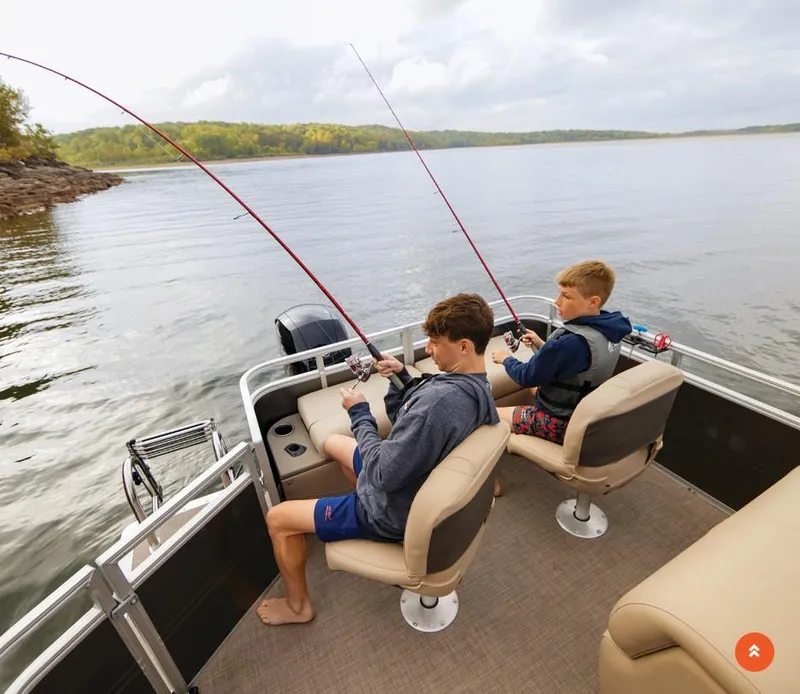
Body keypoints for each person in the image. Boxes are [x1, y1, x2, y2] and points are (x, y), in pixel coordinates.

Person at [258, 292, 499, 626]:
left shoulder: (438, 405)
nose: (428, 349)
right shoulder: (476, 387)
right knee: (333, 443)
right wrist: (401, 376)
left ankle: (298, 607)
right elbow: (422, 415)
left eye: (435, 342)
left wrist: (359, 413)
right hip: (414, 480)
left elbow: (384, 472)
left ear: (463, 346)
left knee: (278, 518)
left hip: (394, 507)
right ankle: (358, 505)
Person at [491, 260, 632, 446]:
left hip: (562, 424)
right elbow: (577, 363)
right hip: (585, 413)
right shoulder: (610, 330)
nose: (557, 301)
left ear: (593, 302)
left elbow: (525, 376)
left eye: (566, 296)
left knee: (489, 413)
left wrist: (505, 358)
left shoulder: (571, 343)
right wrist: (541, 344)